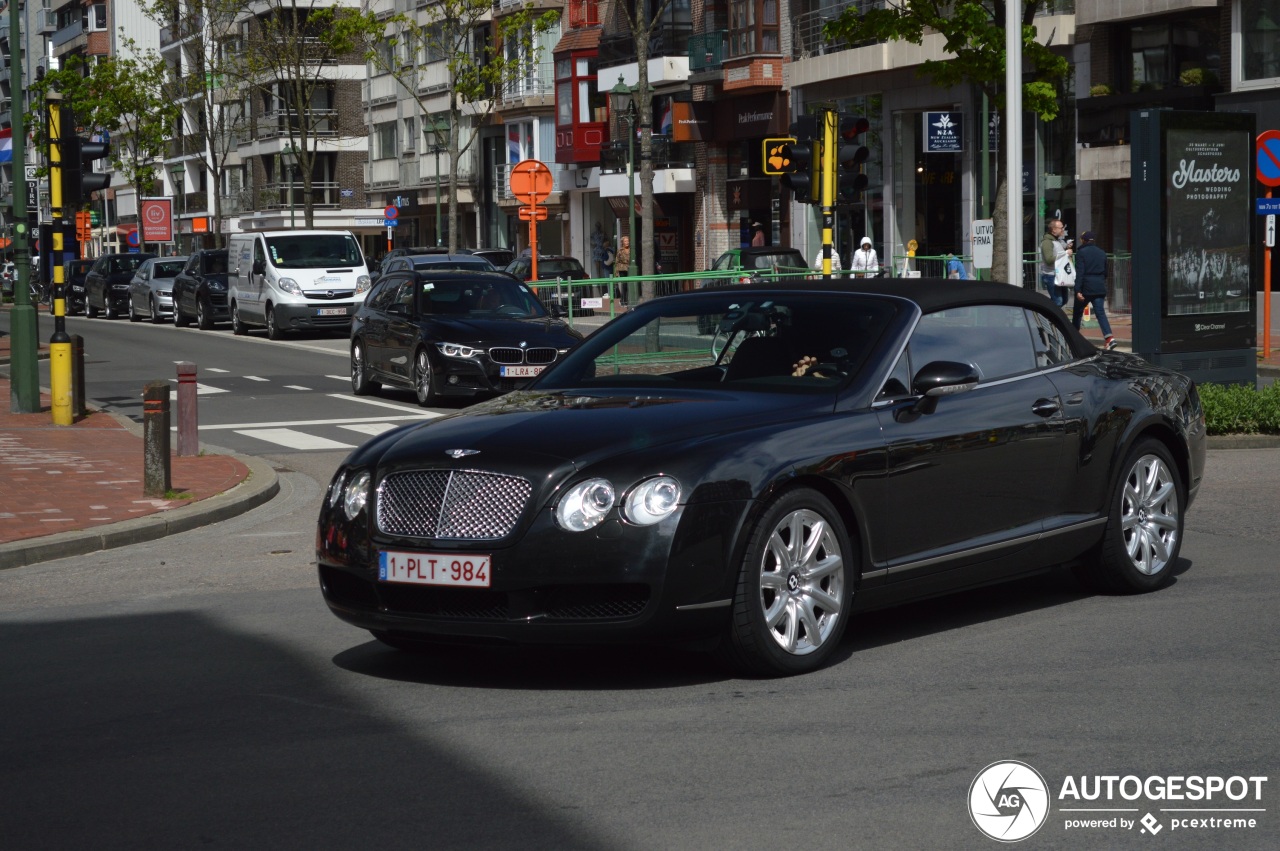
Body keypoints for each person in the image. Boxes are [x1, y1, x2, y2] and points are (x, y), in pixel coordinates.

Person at [1071, 231, 1118, 350]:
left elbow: (1080, 273)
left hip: (1086, 287)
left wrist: (1077, 290)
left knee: (1077, 313)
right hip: (1099, 286)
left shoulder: (1081, 253)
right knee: (1100, 313)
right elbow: (1106, 272)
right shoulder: (1102, 253)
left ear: (1083, 240)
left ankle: (1072, 338)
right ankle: (1109, 338)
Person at [1040, 218, 1072, 305]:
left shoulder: (1057, 241)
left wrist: (1066, 249)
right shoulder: (1047, 242)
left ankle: (1049, 314)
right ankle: (1048, 316)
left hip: (1060, 274)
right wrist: (1065, 253)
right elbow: (1049, 259)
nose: (1063, 230)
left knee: (1064, 300)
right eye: (1061, 228)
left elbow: (1057, 254)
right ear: (1054, 230)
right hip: (1051, 275)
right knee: (1058, 301)